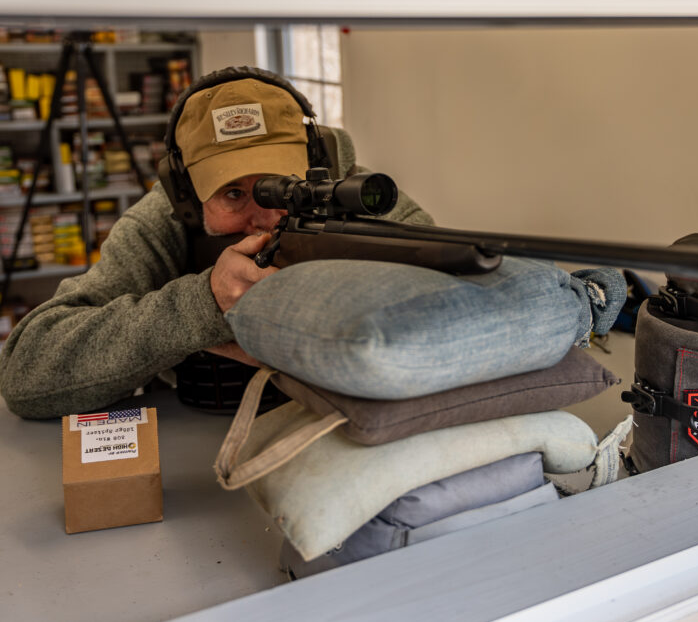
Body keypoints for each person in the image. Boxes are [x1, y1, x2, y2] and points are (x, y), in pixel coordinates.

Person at [0, 67, 432, 419]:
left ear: (314, 163)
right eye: (232, 194)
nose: (263, 217)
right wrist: (202, 303)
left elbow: (450, 297)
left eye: (281, 185)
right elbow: (25, 375)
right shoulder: (161, 222)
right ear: (187, 193)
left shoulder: (350, 193)